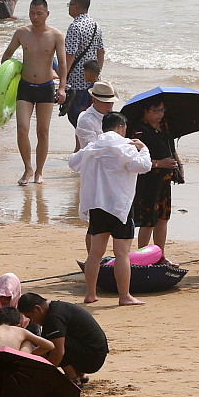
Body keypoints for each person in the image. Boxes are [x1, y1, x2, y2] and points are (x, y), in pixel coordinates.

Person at [69, 112, 151, 305]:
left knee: (95, 253)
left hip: (96, 204)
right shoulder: (125, 146)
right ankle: (124, 296)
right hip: (119, 206)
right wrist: (144, 148)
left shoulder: (92, 146)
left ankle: (90, 293)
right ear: (121, 128)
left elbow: (73, 163)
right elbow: (144, 166)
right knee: (122, 253)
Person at [0, 0, 67, 185]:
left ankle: (39, 171)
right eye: (31, 13)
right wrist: (5, 80)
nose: (35, 17)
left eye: (39, 13)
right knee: (22, 129)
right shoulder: (22, 33)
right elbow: (7, 55)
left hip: (46, 87)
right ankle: (28, 168)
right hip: (25, 87)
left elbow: (62, 63)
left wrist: (62, 87)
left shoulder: (56, 35)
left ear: (47, 14)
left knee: (43, 132)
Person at [21, 293, 108, 385]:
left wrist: (45, 375)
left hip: (92, 358)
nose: (32, 321)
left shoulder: (54, 318)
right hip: (94, 351)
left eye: (30, 317)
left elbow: (58, 352)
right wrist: (28, 355)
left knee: (55, 347)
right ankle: (79, 374)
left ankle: (73, 378)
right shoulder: (55, 309)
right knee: (53, 343)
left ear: (38, 309)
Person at [126, 99, 179, 250]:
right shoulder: (138, 130)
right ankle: (142, 253)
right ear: (146, 111)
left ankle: (160, 254)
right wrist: (160, 163)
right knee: (148, 220)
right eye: (156, 111)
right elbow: (134, 159)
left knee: (163, 217)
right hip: (148, 180)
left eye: (162, 110)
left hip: (165, 179)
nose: (160, 114)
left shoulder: (165, 125)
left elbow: (171, 147)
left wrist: (178, 164)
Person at [63, 0, 106, 126]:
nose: (69, 7)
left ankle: (82, 139)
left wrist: (63, 79)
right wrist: (97, 74)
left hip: (77, 81)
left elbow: (70, 55)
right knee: (91, 117)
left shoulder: (75, 27)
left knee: (76, 117)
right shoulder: (96, 25)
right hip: (93, 80)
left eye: (70, 5)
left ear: (76, 7)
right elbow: (101, 51)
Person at [72, 81, 116, 151]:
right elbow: (90, 150)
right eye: (106, 102)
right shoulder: (86, 121)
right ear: (94, 100)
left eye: (112, 102)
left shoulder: (112, 117)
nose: (110, 105)